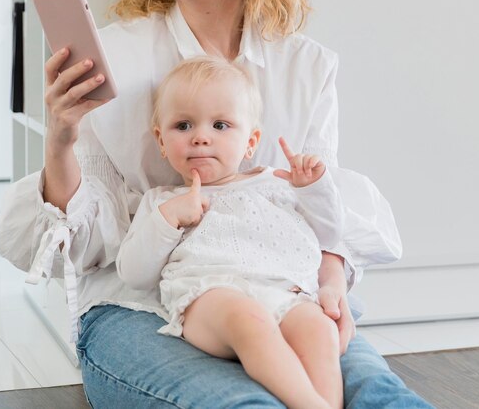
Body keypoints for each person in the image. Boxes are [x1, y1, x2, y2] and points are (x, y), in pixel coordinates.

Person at [0, 0, 433, 407]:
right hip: (141, 305)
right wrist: (60, 140)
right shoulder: (118, 56)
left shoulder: (304, 66)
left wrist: (329, 283)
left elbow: (320, 202)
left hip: (282, 289)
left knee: (378, 393)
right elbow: (91, 242)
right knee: (244, 404)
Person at [117, 56, 345, 409]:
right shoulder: (164, 201)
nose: (201, 138)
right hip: (209, 296)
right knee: (248, 320)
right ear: (161, 141)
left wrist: (313, 187)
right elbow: (133, 274)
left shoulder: (277, 184)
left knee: (320, 331)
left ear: (251, 141)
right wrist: (169, 219)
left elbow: (330, 234)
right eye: (183, 126)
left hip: (284, 290)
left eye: (220, 125)